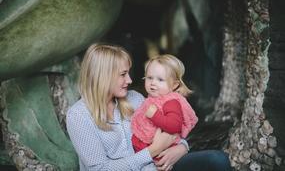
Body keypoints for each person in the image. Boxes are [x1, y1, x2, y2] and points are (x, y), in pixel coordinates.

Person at [66, 43, 232, 171]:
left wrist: (181, 148)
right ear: (103, 77)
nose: (130, 80)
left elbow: (168, 129)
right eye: (123, 74)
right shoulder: (78, 115)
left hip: (156, 166)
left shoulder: (136, 99)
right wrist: (152, 151)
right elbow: (100, 169)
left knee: (217, 160)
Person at [131, 54, 198, 163]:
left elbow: (174, 126)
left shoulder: (171, 102)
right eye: (149, 78)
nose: (153, 83)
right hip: (146, 151)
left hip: (162, 153)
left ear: (174, 85)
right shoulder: (152, 99)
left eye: (160, 79)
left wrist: (155, 115)